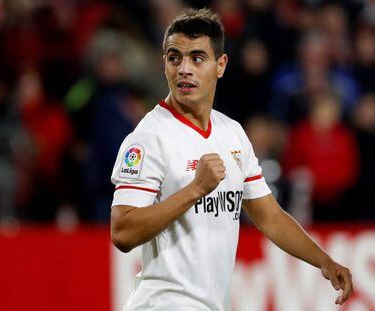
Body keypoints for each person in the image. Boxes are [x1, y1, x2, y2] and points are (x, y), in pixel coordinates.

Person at [110, 8, 353, 310]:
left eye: (197, 58)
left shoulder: (231, 133)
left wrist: (323, 261)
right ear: (165, 65)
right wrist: (194, 189)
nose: (184, 68)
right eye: (175, 58)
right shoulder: (149, 138)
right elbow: (122, 231)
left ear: (220, 65)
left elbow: (269, 216)